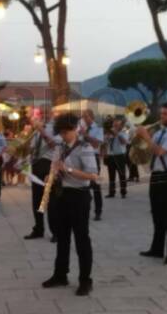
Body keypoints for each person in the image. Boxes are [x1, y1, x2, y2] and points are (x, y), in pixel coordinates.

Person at [41, 113, 98, 296]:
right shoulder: (60, 148)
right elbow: (55, 169)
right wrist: (52, 175)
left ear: (76, 129)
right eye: (62, 132)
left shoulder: (85, 148)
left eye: (67, 132)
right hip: (62, 195)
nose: (64, 135)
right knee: (62, 238)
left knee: (82, 239)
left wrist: (68, 169)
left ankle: (85, 280)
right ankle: (60, 275)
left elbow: (93, 176)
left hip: (79, 196)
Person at [139, 102, 167, 265]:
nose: (161, 116)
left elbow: (160, 151)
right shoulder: (159, 132)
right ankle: (157, 249)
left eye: (165, 114)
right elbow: (149, 149)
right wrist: (141, 138)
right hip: (157, 176)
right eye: (161, 114)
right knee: (157, 214)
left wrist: (146, 136)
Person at [24, 116, 59, 241]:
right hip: (36, 165)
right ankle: (39, 229)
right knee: (37, 200)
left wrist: (42, 132)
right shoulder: (36, 131)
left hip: (48, 166)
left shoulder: (55, 127)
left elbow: (55, 145)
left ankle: (56, 232)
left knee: (49, 201)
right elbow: (32, 149)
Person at [80, 109, 104, 221]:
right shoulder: (81, 128)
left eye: (86, 116)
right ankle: (84, 208)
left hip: (93, 158)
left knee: (95, 185)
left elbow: (96, 144)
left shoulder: (98, 128)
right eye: (83, 117)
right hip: (81, 157)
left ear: (91, 117)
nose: (84, 119)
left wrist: (85, 135)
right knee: (83, 185)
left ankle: (98, 211)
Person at [104, 116, 129, 198]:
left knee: (122, 174)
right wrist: (107, 137)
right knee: (111, 175)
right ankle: (111, 192)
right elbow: (106, 143)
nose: (114, 125)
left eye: (116, 124)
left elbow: (124, 142)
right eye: (113, 123)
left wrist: (117, 134)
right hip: (111, 156)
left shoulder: (124, 131)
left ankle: (123, 192)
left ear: (120, 124)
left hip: (120, 156)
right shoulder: (109, 132)